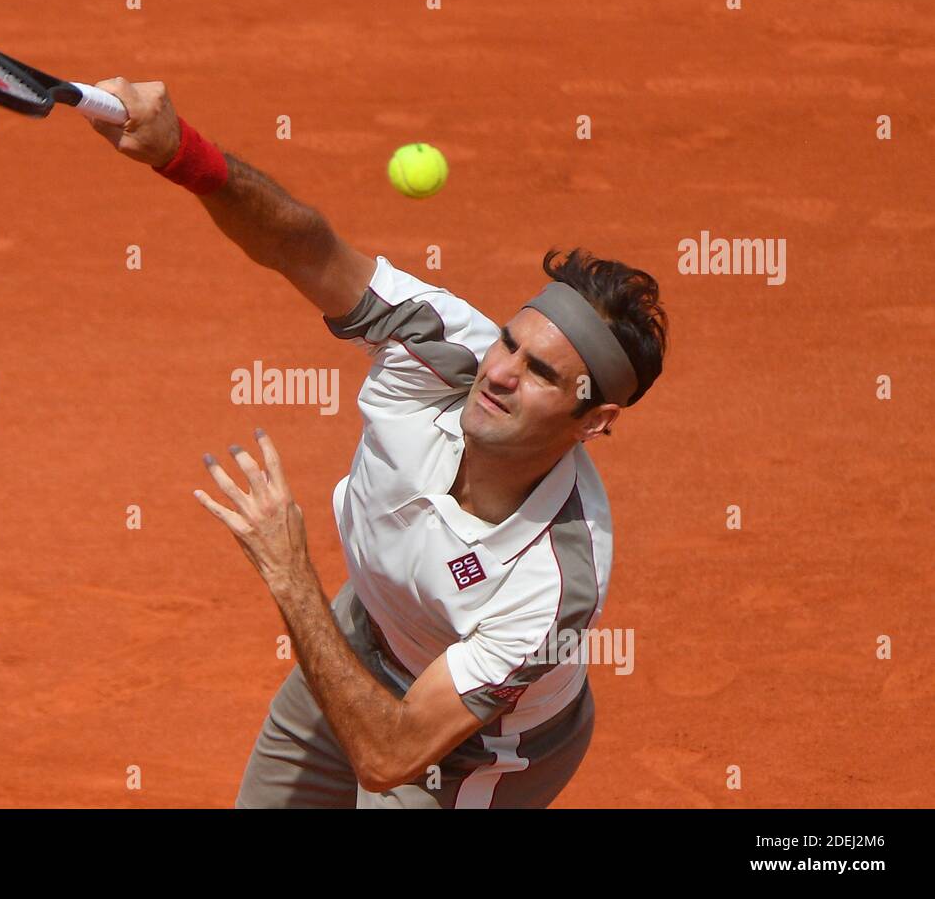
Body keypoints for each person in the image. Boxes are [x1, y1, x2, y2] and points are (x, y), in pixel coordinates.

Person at [90, 78, 668, 808]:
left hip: (468, 751)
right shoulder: (444, 348)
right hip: (361, 636)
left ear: (594, 419)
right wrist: (183, 154)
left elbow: (388, 756)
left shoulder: (553, 581)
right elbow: (311, 249)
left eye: (541, 373)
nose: (499, 374)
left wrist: (292, 574)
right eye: (508, 343)